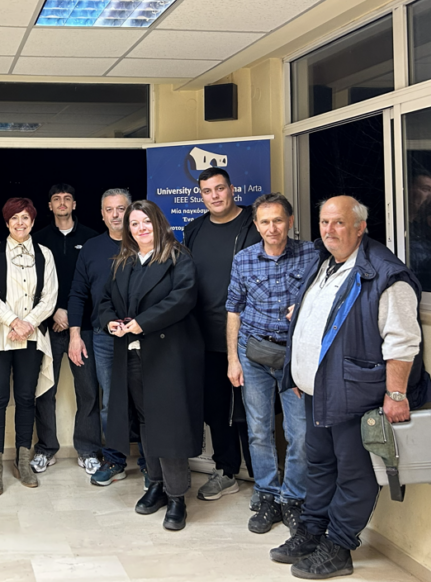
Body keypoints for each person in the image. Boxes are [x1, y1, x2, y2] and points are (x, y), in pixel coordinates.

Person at [272, 196, 431, 579]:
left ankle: (339, 546)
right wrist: (299, 374)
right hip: (319, 390)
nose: (329, 230)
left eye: (339, 223)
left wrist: (396, 395)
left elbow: (402, 342)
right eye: (324, 222)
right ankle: (312, 531)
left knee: (354, 473)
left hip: (357, 395)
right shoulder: (324, 261)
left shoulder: (385, 275)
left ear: (361, 227)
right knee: (319, 465)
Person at [99, 200, 204, 532]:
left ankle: (177, 497)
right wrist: (110, 322)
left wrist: (141, 323)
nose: (140, 228)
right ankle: (156, 485)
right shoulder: (124, 261)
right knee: (145, 420)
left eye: (146, 221)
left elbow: (182, 298)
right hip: (131, 354)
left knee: (168, 423)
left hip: (166, 353)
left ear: (158, 223)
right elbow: (105, 301)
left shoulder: (177, 256)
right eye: (134, 223)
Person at [226, 193, 318, 535]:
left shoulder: (312, 254)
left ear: (290, 222)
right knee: (259, 430)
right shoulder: (244, 259)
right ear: (256, 225)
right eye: (265, 222)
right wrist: (233, 359)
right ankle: (266, 494)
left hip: (295, 357)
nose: (272, 228)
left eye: (278, 220)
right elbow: (233, 310)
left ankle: (293, 498)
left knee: (300, 434)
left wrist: (305, 308)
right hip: (254, 355)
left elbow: (328, 297)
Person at [0, 197, 57, 495]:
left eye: (25, 217)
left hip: (31, 335)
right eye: (14, 218)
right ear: (6, 222)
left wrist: (28, 323)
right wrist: (14, 322)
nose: (20, 223)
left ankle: (23, 460)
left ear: (33, 221)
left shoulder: (45, 254)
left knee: (27, 399)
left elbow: (50, 297)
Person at [182, 167, 260, 503]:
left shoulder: (254, 225)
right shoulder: (194, 230)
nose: (214, 196)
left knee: (254, 411)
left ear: (231, 189)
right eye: (207, 191)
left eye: (219, 189)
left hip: (251, 336)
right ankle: (225, 471)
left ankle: (264, 480)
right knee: (217, 410)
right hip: (206, 336)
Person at [68, 188, 140, 486]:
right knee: (111, 401)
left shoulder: (144, 242)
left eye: (121, 208)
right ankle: (115, 460)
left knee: (145, 399)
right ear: (101, 214)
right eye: (109, 209)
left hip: (142, 333)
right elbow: (77, 294)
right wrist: (75, 335)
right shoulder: (92, 248)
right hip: (104, 337)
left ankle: (151, 463)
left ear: (130, 210)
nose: (115, 215)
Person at [31, 183, 101, 474]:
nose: (62, 203)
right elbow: (32, 286)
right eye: (56, 199)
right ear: (49, 206)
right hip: (47, 327)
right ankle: (46, 449)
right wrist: (53, 312)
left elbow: (95, 285)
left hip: (83, 328)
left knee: (88, 391)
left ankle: (88, 450)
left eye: (67, 199)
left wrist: (73, 317)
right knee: (44, 391)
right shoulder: (37, 240)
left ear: (74, 204)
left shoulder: (92, 238)